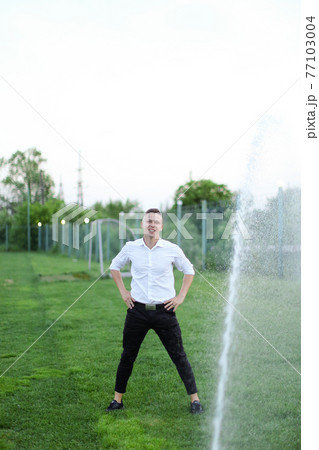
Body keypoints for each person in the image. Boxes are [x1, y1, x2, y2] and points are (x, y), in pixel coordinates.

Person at [106, 208, 203, 414]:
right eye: (149, 220)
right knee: (127, 356)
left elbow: (189, 270)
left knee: (179, 356)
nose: (152, 224)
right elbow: (114, 266)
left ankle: (195, 401)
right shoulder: (131, 247)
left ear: (161, 226)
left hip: (164, 312)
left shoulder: (171, 249)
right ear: (142, 224)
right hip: (137, 311)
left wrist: (180, 297)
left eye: (156, 222)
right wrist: (124, 292)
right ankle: (117, 400)